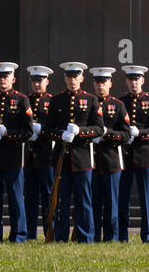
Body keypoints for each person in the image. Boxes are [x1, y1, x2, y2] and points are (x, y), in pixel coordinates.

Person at [48, 62, 105, 242]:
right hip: (61, 159)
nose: (72, 80)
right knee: (61, 200)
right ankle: (60, 236)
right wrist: (61, 134)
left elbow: (99, 129)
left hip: (83, 158)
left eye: (76, 77)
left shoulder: (91, 99)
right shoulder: (56, 100)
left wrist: (80, 131)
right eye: (69, 77)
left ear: (81, 78)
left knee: (84, 201)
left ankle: (86, 237)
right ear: (65, 78)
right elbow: (48, 129)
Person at [0, 62, 34, 243]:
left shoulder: (22, 100)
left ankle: (19, 235)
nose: (2, 80)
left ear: (13, 79)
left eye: (5, 77)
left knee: (16, 199)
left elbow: (28, 131)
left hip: (14, 156)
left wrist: (8, 133)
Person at [118, 64, 149, 243]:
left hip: (145, 156)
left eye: (137, 79)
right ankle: (121, 235)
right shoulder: (120, 102)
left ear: (142, 80)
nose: (134, 83)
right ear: (126, 81)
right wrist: (124, 136)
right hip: (124, 156)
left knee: (146, 197)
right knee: (122, 198)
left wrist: (140, 134)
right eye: (131, 79)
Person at [90, 67, 130, 242]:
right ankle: (93, 237)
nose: (100, 86)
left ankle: (111, 237)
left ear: (110, 83)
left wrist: (106, 135)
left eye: (104, 82)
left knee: (112, 204)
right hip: (90, 160)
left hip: (112, 161)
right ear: (93, 84)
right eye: (98, 82)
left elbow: (126, 134)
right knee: (93, 203)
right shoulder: (88, 103)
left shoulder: (118, 105)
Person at [22, 65, 57, 240]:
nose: (36, 84)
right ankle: (30, 234)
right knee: (30, 197)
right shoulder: (25, 100)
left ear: (47, 82)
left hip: (46, 156)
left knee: (48, 196)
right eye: (34, 81)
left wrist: (42, 130)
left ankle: (50, 231)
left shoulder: (52, 101)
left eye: (40, 81)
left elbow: (57, 127)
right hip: (28, 156)